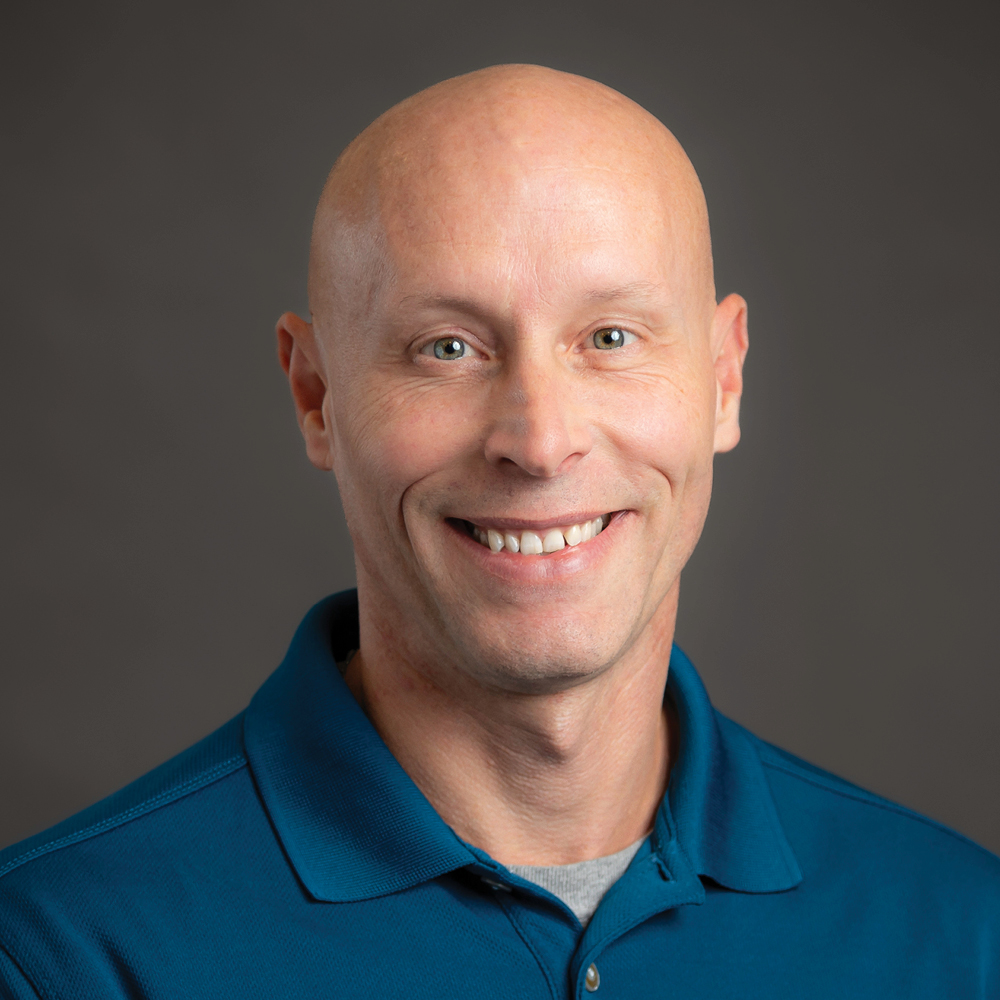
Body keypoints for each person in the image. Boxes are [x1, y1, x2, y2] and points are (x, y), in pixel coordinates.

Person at [0, 64, 997, 1000]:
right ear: (315, 395)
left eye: (609, 337)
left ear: (724, 377)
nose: (539, 440)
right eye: (446, 347)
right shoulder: (59, 955)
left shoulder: (960, 934)